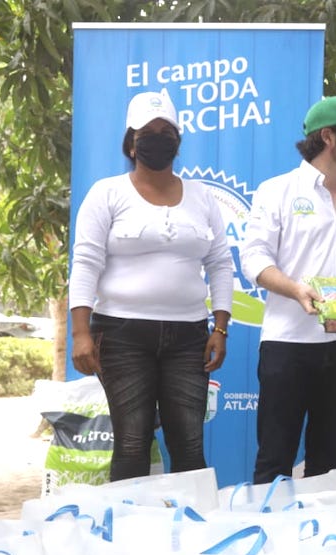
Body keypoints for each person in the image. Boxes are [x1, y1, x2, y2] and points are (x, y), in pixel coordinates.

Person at [69, 89, 233, 481]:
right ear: (131, 141)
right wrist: (79, 333)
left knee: (190, 444)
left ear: (178, 140)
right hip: (121, 334)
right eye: (148, 131)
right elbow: (86, 263)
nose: (159, 138)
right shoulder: (106, 193)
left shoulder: (202, 196)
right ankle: (128, 535)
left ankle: (192, 534)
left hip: (189, 335)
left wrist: (221, 328)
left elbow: (220, 263)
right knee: (131, 441)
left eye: (167, 131)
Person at [241, 95, 336, 484]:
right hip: (288, 344)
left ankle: (322, 542)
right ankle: (271, 539)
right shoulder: (277, 191)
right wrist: (294, 289)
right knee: (275, 459)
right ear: (328, 136)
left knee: (328, 462)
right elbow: (253, 259)